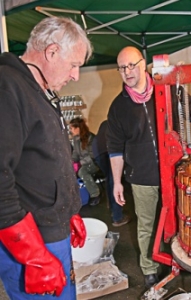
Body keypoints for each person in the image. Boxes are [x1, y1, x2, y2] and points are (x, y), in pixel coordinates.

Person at [0, 17, 93, 299]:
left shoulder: (40, 91)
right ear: (51, 52)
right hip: (29, 240)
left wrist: (69, 211)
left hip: (51, 231)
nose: (75, 75)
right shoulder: (8, 88)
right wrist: (34, 256)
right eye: (73, 65)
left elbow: (47, 160)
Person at [106, 46, 191, 289]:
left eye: (131, 65)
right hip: (142, 178)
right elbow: (115, 148)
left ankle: (179, 259)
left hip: (175, 172)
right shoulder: (118, 107)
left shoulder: (168, 88)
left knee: (183, 219)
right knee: (147, 226)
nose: (127, 71)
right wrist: (118, 182)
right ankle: (149, 269)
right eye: (122, 68)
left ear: (143, 64)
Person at [93, 120, 131, 226]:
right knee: (115, 181)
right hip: (110, 152)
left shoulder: (105, 123)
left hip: (97, 153)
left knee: (110, 180)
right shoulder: (121, 124)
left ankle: (112, 206)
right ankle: (117, 217)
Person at [69, 117, 101, 206]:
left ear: (78, 128)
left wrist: (81, 163)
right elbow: (75, 153)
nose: (70, 131)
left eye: (71, 128)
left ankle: (95, 194)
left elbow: (93, 155)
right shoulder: (76, 140)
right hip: (85, 163)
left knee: (82, 171)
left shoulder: (91, 138)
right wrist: (71, 163)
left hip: (94, 163)